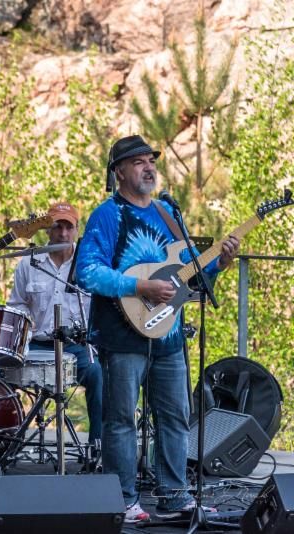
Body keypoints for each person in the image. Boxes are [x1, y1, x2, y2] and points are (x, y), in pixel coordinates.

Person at [76, 135, 239, 522]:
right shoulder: (108, 214)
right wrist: (138, 286)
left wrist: (222, 261)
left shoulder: (167, 212)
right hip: (122, 333)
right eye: (138, 162)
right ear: (118, 172)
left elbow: (192, 270)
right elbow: (87, 270)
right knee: (120, 420)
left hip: (167, 334)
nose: (148, 167)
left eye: (151, 160)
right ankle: (123, 499)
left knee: (176, 415)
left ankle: (174, 493)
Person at [6, 201, 102, 444]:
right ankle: (3, 445)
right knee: (0, 373)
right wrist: (26, 335)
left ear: (77, 230)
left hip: (75, 346)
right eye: (57, 227)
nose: (63, 233)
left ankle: (98, 449)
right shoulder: (29, 263)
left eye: (69, 228)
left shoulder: (87, 266)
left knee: (98, 374)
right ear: (47, 230)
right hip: (37, 345)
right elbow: (17, 305)